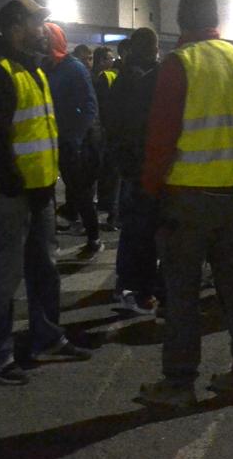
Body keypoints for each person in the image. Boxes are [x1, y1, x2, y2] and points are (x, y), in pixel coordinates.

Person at [139, 0, 233, 409]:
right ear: (216, 19)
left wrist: (150, 191)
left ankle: (179, 382)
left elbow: (161, 138)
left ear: (180, 21)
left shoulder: (180, 64)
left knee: (183, 292)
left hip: (188, 197)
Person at [0, 0, 89, 385]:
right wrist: (11, 185)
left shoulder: (30, 68)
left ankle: (46, 337)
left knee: (45, 270)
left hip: (37, 191)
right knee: (3, 277)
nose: (44, 30)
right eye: (38, 23)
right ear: (17, 25)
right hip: (11, 195)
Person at [104, 28, 162, 315]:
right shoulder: (142, 80)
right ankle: (135, 289)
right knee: (142, 231)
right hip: (141, 165)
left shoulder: (124, 78)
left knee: (135, 230)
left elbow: (112, 124)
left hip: (131, 164)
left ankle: (127, 285)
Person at [45, 23, 101, 259]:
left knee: (80, 192)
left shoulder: (74, 68)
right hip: (52, 140)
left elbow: (90, 108)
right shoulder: (46, 68)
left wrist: (75, 138)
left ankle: (94, 237)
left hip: (72, 143)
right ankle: (49, 241)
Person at [92, 46, 120, 232]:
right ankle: (109, 208)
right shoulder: (104, 77)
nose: (111, 61)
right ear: (101, 60)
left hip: (107, 129)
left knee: (107, 171)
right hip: (106, 130)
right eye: (108, 58)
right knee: (107, 170)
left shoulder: (106, 76)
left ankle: (108, 206)